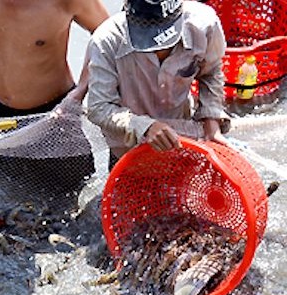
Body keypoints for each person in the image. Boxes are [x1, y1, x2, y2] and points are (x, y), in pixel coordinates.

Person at [0, 0, 110, 205]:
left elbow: (108, 37)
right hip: (3, 119)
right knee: (12, 200)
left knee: (71, 201)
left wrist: (78, 94)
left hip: (57, 116)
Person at [86, 0, 229, 170]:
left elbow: (211, 72)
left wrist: (211, 123)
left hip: (183, 140)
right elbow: (98, 107)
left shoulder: (204, 25)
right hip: (128, 151)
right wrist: (144, 126)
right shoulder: (107, 41)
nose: (158, 50)